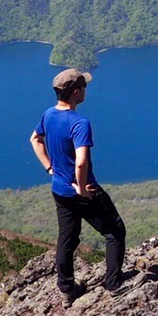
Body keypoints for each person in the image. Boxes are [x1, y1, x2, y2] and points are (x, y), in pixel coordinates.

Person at [30, 67, 125, 303]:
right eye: (84, 86)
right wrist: (82, 189)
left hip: (59, 189)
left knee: (68, 239)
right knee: (114, 232)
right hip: (83, 191)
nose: (86, 90)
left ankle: (66, 289)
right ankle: (114, 286)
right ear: (74, 92)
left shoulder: (48, 115)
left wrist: (50, 168)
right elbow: (81, 162)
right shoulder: (79, 122)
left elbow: (35, 139)